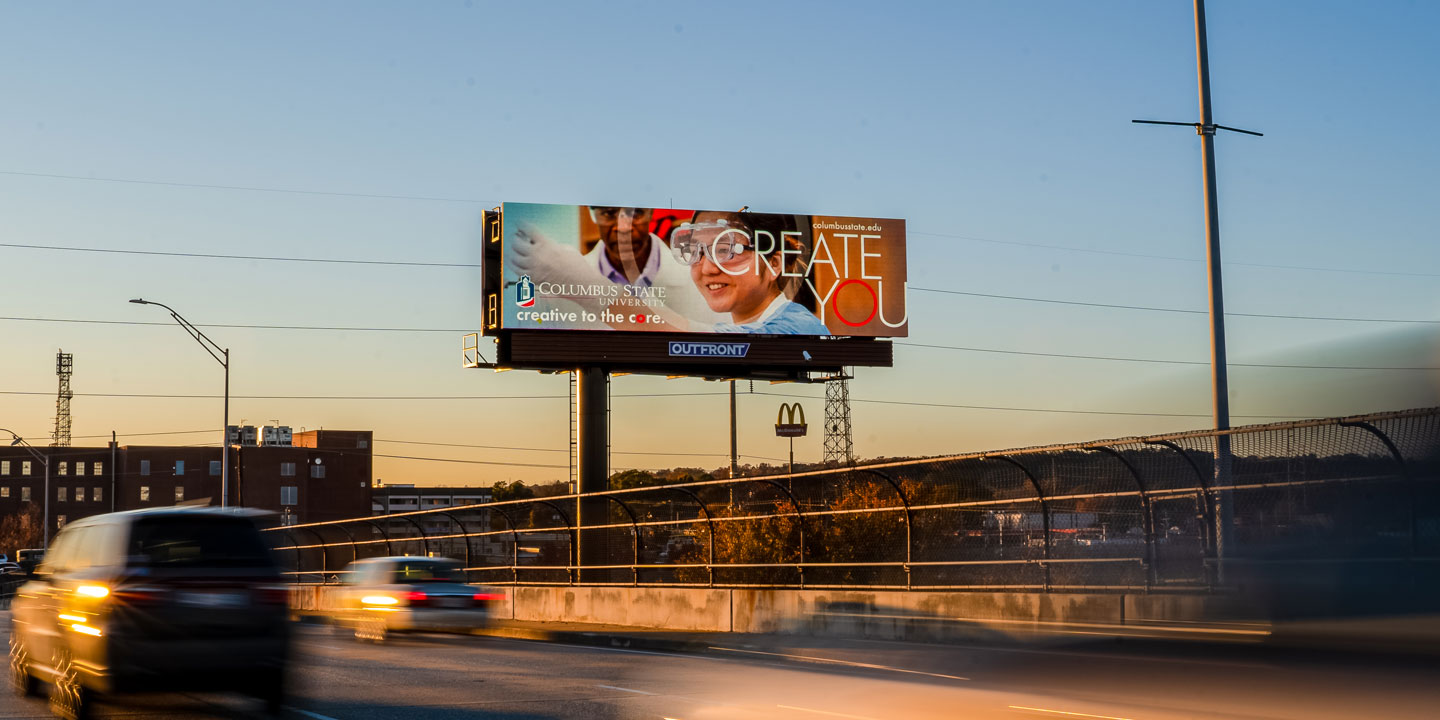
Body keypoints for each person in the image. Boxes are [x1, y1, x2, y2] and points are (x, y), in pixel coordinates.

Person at [672, 211, 830, 335]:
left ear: (773, 264)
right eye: (695, 251)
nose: (707, 269)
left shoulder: (798, 328)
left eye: (725, 250)